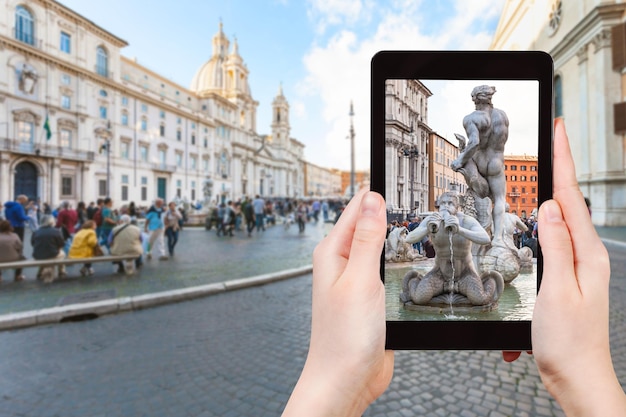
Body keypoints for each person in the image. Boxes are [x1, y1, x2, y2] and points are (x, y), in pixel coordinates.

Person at [282, 120, 626, 416]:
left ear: (457, 204)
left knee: (481, 300)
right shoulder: (433, 220)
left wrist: (458, 227)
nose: (446, 206)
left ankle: (489, 286)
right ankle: (417, 284)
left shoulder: (464, 221)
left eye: (450, 202)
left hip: (465, 275)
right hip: (437, 274)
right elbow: (410, 234)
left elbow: (481, 235)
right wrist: (416, 230)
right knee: (416, 296)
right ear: (438, 204)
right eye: (442, 203)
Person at [451, 85, 508, 247]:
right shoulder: (502, 116)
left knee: (479, 193)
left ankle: (479, 236)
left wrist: (460, 159)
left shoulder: (471, 118)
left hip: (480, 161)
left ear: (475, 99)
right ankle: (497, 239)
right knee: (499, 200)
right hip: (496, 161)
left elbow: (474, 143)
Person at [31, 215, 67, 283]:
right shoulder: (56, 231)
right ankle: (62, 272)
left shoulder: (36, 232)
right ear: (51, 222)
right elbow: (62, 244)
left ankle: (40, 272)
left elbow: (33, 243)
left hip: (37, 255)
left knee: (44, 255)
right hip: (53, 254)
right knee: (62, 254)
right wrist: (58, 248)